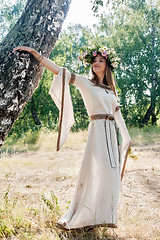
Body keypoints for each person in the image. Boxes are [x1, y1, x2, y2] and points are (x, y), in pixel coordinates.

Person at [12, 45, 131, 231]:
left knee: (110, 177)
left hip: (111, 136)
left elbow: (118, 116)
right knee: (95, 174)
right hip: (97, 132)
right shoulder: (86, 83)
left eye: (101, 60)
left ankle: (101, 217)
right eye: (94, 60)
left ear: (107, 65)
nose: (96, 63)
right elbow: (61, 71)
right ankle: (82, 217)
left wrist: (126, 138)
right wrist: (37, 55)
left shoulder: (110, 91)